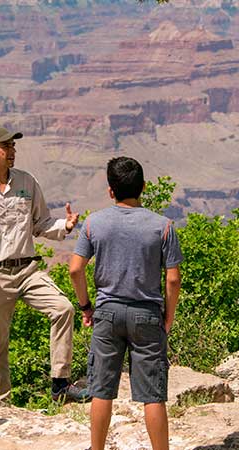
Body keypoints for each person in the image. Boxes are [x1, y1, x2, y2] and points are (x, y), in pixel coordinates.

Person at [0, 125, 89, 404]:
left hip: (28, 270)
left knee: (62, 309)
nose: (13, 151)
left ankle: (60, 386)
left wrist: (66, 225)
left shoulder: (28, 182)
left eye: (13, 146)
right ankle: (0, 401)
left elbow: (42, 224)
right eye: (6, 146)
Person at [69, 156, 183, 450]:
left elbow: (75, 269)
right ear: (143, 187)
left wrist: (86, 307)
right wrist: (168, 317)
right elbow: (172, 280)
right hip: (147, 315)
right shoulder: (164, 226)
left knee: (101, 391)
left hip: (106, 314)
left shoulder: (95, 223)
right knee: (152, 395)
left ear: (110, 190)